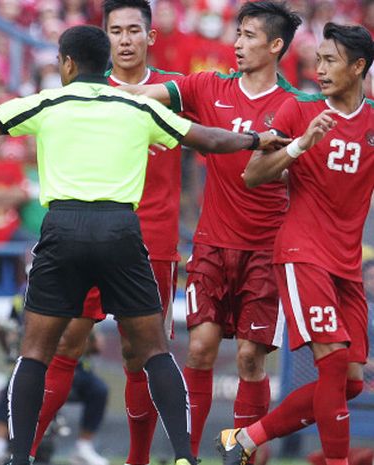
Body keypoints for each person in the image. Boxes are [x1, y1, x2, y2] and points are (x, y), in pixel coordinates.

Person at [0, 24, 288, 465]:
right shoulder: (135, 105)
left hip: (62, 229)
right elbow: (207, 139)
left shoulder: (50, 102)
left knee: (35, 353)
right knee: (154, 352)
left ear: (67, 64)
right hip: (121, 231)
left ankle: (18, 458)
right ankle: (185, 456)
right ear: (106, 63)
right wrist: (256, 139)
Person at [122, 1, 303, 456]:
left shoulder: (295, 106)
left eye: (249, 36)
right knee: (199, 350)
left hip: (266, 251)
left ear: (276, 45)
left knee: (249, 359)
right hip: (210, 245)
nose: (237, 44)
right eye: (237, 34)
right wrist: (99, 95)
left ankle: (244, 453)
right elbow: (145, 97)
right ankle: (190, 453)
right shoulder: (207, 87)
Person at [29, 2, 186, 465]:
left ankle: (136, 459)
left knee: (140, 354)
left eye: (134, 30)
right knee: (64, 343)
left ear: (150, 37)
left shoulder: (177, 91)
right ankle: (27, 452)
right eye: (115, 30)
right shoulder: (79, 90)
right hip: (84, 229)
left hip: (152, 238)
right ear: (104, 38)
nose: (125, 39)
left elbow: (210, 140)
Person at [217, 22, 374, 465]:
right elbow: (253, 175)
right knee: (331, 361)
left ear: (358, 66)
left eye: (330, 60)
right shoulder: (297, 109)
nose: (317, 68)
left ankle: (247, 438)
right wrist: (301, 145)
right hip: (303, 252)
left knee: (351, 381)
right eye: (317, 58)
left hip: (346, 262)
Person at [0, 282, 109, 465]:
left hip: (73, 365)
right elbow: (10, 342)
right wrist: (3, 335)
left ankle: (84, 447)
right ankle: (0, 445)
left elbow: (97, 346)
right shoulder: (20, 299)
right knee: (11, 387)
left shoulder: (80, 287)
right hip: (37, 362)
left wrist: (86, 336)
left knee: (98, 390)